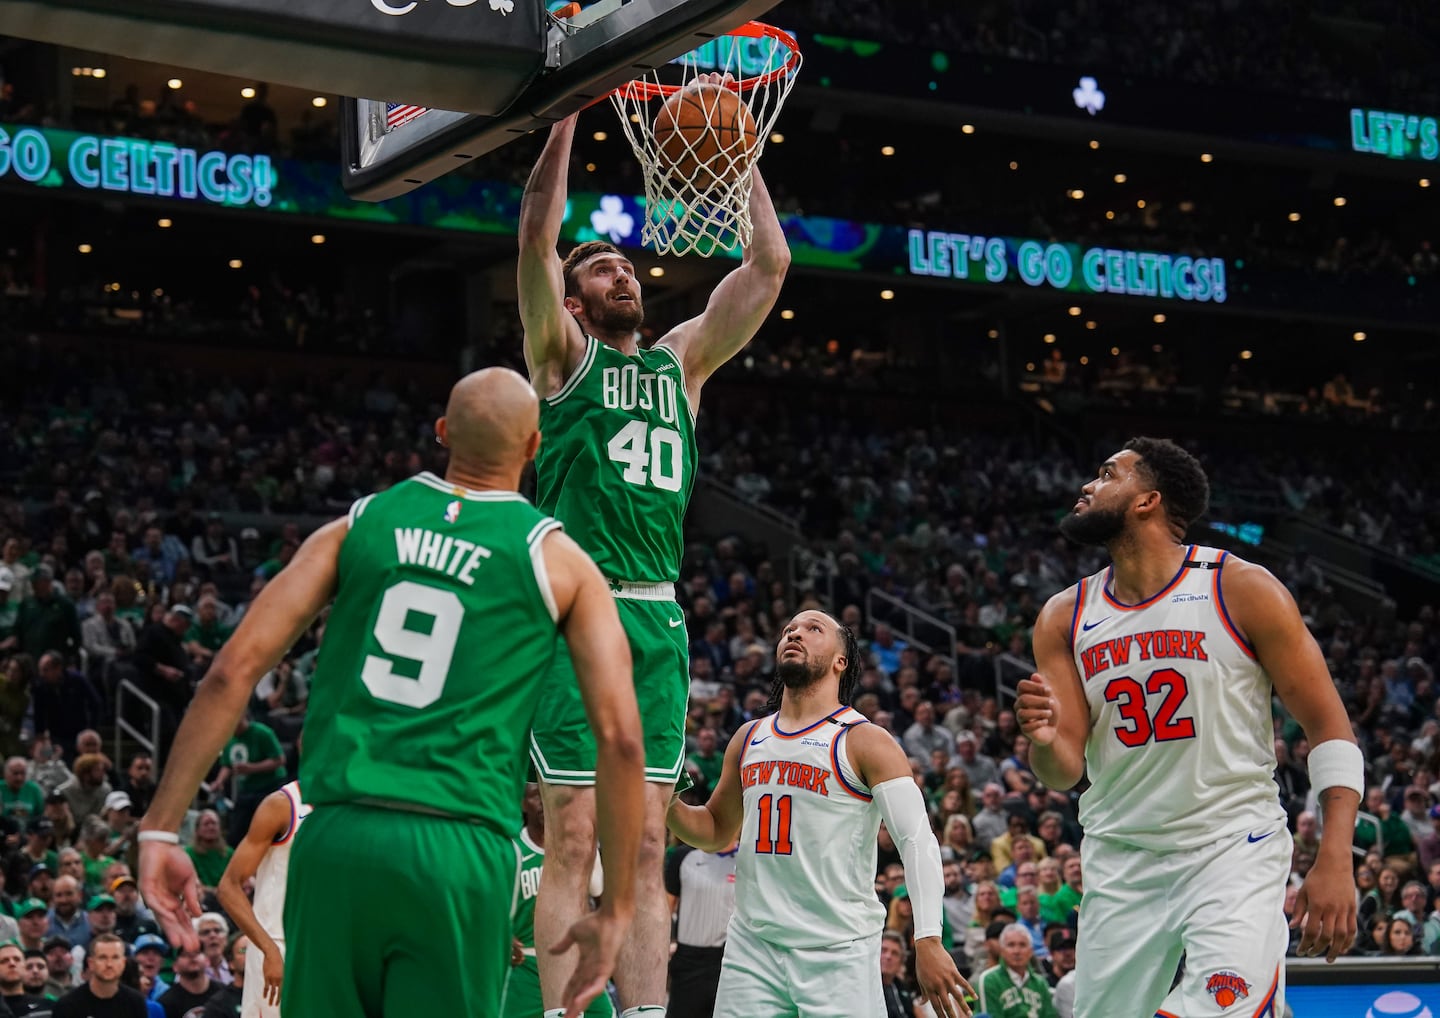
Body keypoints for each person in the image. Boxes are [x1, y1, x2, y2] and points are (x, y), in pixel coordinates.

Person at [137, 368, 646, 1018]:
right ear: (534, 447)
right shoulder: (560, 560)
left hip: (336, 836)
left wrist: (159, 830)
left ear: (441, 434)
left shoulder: (359, 524)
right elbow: (623, 740)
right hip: (457, 849)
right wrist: (620, 906)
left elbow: (230, 673)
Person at [517, 92, 789, 1018]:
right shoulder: (560, 361)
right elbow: (532, 246)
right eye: (597, 267)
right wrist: (563, 123)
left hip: (657, 615)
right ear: (573, 298)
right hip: (573, 610)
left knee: (640, 850)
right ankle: (561, 1013)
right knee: (573, 834)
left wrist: (736, 151)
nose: (618, 275)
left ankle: (642, 1013)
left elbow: (770, 263)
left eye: (625, 264)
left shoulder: (682, 365)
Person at [1015, 438, 1361, 1018]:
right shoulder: (1062, 616)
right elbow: (1062, 769)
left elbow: (1330, 729)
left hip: (1232, 845)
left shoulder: (1241, 588)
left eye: (1107, 474)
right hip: (1122, 857)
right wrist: (1043, 740)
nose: (1087, 485)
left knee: (1219, 1007)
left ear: (1148, 500)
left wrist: (1335, 857)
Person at [665, 610, 972, 1018]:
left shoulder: (864, 740)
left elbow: (917, 841)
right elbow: (716, 830)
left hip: (838, 951)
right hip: (752, 949)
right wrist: (664, 800)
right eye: (789, 629)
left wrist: (928, 940)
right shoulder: (748, 737)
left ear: (840, 661)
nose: (795, 633)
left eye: (813, 629)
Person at [504, 783, 614, 1018]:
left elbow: (602, 898)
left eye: (548, 796)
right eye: (536, 797)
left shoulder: (580, 847)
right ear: (523, 804)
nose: (544, 803)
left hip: (577, 964)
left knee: (605, 1013)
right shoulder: (512, 849)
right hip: (526, 967)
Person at [215, 780, 309, 1018]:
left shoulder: (351, 807)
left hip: (326, 946)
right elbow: (228, 887)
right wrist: (269, 950)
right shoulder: (282, 804)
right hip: (279, 944)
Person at [663, 831, 738, 1018]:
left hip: (731, 962)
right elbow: (665, 909)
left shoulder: (748, 859)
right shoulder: (684, 857)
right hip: (689, 960)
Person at [53, 933, 146, 1018]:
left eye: (115, 958)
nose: (109, 964)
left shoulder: (135, 1002)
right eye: (102, 958)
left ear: (123, 963)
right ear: (91, 963)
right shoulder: (68, 1005)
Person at [975, 924, 1058, 1018]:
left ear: (1031, 951)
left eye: (1022, 945)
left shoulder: (1040, 983)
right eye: (1011, 945)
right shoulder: (988, 980)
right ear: (1002, 950)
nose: (1017, 951)